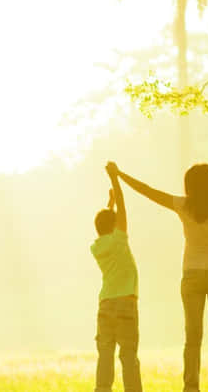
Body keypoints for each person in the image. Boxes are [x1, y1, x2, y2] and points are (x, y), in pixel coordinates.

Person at [112, 117, 208, 392]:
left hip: (191, 275)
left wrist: (119, 175)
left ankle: (191, 386)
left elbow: (148, 192)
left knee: (192, 337)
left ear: (188, 185)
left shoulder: (182, 205)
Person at [90, 162, 143, 392]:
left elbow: (108, 220)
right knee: (129, 356)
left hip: (105, 304)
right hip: (125, 304)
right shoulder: (120, 239)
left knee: (105, 355)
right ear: (114, 225)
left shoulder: (97, 246)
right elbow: (123, 208)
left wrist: (108, 204)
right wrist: (115, 179)